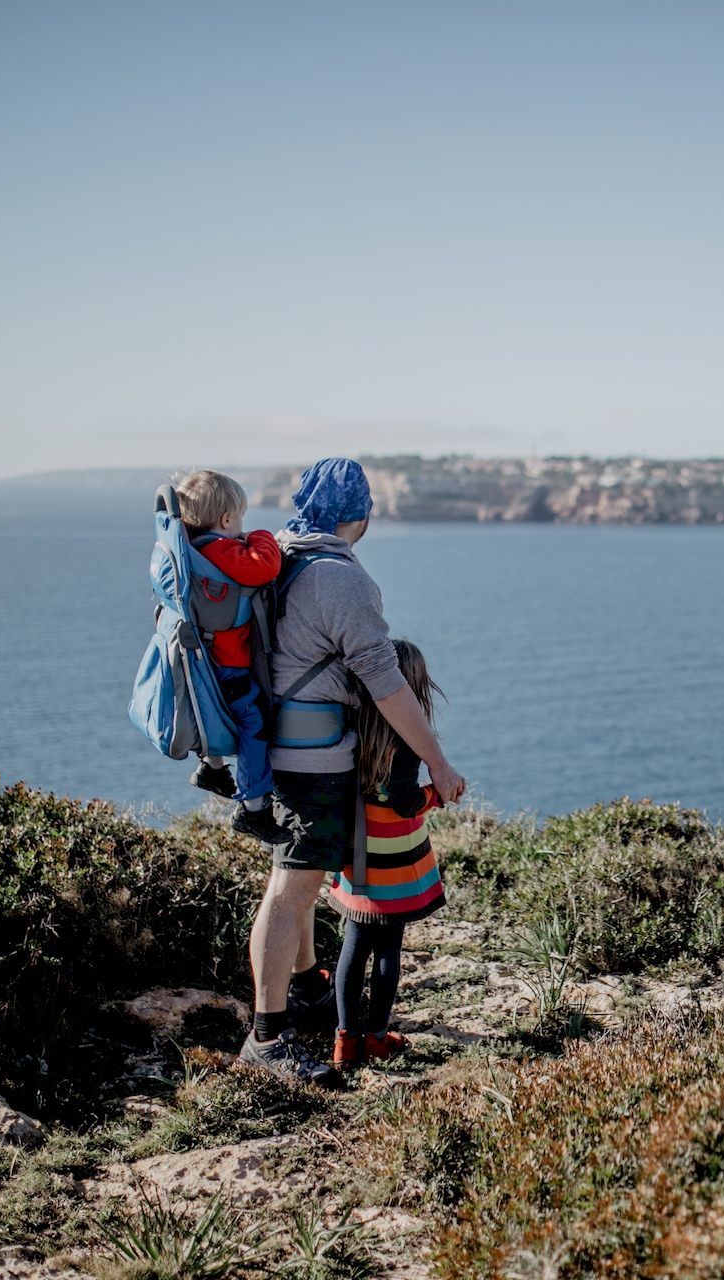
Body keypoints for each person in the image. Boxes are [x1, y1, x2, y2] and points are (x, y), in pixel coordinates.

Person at [239, 458, 467, 1088]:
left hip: (269, 750)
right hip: (312, 762)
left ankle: (311, 993)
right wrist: (438, 762)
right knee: (290, 893)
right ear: (357, 513)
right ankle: (267, 1038)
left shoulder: (277, 553)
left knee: (296, 883)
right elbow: (388, 686)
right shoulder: (340, 577)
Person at [329, 639, 449, 1068]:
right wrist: (437, 794)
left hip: (358, 856)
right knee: (387, 951)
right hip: (395, 863)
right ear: (415, 687)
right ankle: (378, 1038)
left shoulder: (354, 722)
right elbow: (403, 801)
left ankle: (345, 1041)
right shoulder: (406, 736)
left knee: (352, 947)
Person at [171, 469, 290, 845]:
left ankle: (213, 768)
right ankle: (253, 808)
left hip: (204, 664)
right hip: (230, 669)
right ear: (225, 520)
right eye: (240, 519)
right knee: (254, 728)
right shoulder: (222, 550)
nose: (243, 528)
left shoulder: (188, 550)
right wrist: (261, 537)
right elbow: (265, 566)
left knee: (217, 714)